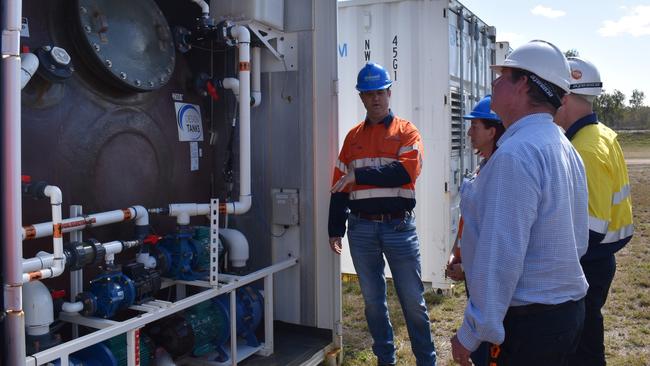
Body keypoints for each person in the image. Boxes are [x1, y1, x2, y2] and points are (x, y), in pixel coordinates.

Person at [450, 40, 589, 366]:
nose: (494, 82)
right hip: (562, 314)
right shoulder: (563, 147)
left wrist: (471, 333)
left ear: (523, 83)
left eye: (502, 75)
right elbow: (578, 240)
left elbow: (499, 258)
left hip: (530, 324)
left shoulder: (516, 155)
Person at [328, 62, 436, 366]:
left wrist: (358, 175)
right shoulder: (352, 138)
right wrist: (334, 227)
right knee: (374, 304)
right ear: (361, 98)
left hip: (399, 229)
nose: (375, 98)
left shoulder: (406, 131)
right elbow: (338, 185)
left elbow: (404, 171)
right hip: (361, 230)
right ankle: (385, 360)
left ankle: (426, 361)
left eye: (380, 92)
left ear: (389, 93)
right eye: (368, 93)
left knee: (413, 303)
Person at [554, 57, 634, 366]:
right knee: (587, 335)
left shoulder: (585, 149)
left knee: (583, 347)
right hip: (601, 258)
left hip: (589, 262)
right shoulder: (600, 134)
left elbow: (590, 228)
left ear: (567, 97)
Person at [445, 95, 505, 366]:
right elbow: (469, 225)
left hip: (486, 283)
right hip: (475, 277)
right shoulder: (484, 167)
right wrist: (458, 255)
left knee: (489, 353)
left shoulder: (500, 174)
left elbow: (496, 245)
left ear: (492, 131)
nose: (468, 132)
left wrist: (468, 269)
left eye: (475, 126)